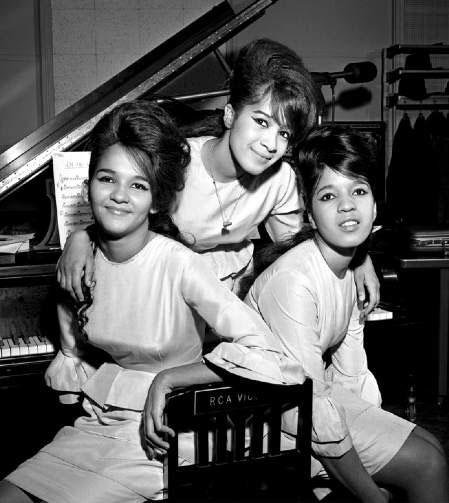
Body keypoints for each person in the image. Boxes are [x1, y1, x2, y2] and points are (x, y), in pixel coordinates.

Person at [0, 101, 304, 503]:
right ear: (88, 185)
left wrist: (169, 379)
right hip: (99, 424)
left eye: (138, 185)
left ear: (157, 200)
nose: (119, 197)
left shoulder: (181, 265)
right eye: (107, 179)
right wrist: (79, 240)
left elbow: (271, 355)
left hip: (168, 435)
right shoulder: (81, 259)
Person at [56, 38, 380, 318]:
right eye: (261, 121)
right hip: (164, 297)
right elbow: (121, 208)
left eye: (284, 132)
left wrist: (357, 259)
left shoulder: (280, 181)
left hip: (236, 301)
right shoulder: (178, 162)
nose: (271, 144)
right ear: (229, 114)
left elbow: (298, 250)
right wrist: (80, 238)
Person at [244, 125, 449, 502]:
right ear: (308, 212)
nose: (347, 206)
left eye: (358, 191)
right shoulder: (292, 281)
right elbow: (305, 410)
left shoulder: (351, 268)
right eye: (328, 195)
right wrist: (371, 495)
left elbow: (352, 375)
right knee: (427, 465)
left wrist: (379, 436)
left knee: (430, 447)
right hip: (268, 427)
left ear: (374, 205)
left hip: (318, 404)